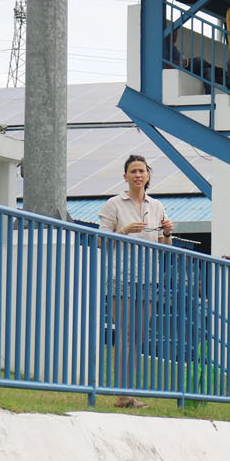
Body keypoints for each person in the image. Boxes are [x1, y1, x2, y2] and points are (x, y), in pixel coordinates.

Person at [98, 154, 173, 409]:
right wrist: (124, 232)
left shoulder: (158, 206)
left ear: (148, 176)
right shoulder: (114, 204)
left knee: (139, 336)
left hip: (149, 279)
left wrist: (167, 233)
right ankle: (122, 394)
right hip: (122, 276)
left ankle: (129, 392)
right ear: (125, 176)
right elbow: (101, 241)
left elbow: (165, 247)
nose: (138, 175)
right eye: (133, 171)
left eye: (142, 171)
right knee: (125, 334)